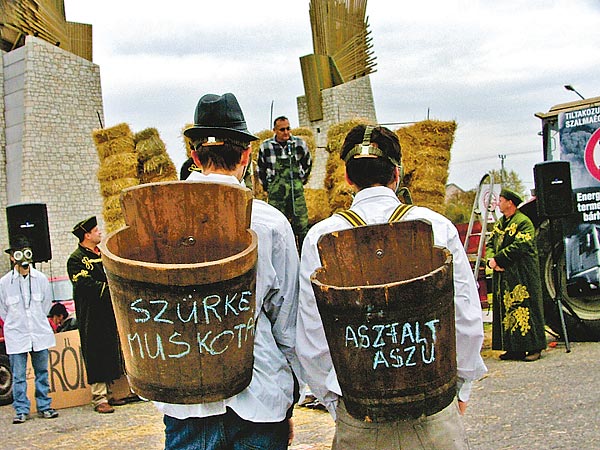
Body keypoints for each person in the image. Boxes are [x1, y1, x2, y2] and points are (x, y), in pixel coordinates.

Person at [296, 125, 487, 449]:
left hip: (360, 420)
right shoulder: (436, 228)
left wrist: (337, 403)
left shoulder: (321, 239)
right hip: (434, 416)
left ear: (347, 178)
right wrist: (461, 389)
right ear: (397, 174)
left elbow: (312, 342)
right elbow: (466, 321)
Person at [153, 93, 301, 450]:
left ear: (194, 156)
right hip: (259, 394)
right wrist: (290, 392)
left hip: (187, 400)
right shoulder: (270, 223)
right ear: (247, 156)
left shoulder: (157, 221)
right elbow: (287, 321)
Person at [67, 216, 125, 413]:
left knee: (112, 349)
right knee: (96, 351)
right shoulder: (75, 259)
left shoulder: (104, 253)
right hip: (92, 314)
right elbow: (84, 285)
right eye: (96, 230)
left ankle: (114, 392)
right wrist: (113, 288)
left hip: (110, 311)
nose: (100, 232)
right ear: (87, 235)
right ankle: (99, 397)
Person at [0, 236, 59, 424]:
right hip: (17, 334)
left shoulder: (41, 279)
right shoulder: (4, 283)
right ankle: (21, 410)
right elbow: (3, 310)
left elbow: (46, 305)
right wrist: (16, 323)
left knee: (42, 372)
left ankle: (44, 406)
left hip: (38, 333)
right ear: (12, 257)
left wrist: (36, 320)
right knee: (18, 375)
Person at [486, 188, 546, 362]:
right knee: (507, 310)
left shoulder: (523, 222)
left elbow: (520, 246)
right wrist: (491, 260)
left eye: (501, 200)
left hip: (523, 274)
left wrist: (498, 260)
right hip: (505, 275)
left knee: (527, 307)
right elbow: (491, 243)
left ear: (510, 203)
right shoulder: (501, 224)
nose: (498, 203)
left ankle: (535, 347)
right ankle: (514, 349)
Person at [257, 116, 312, 248]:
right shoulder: (266, 147)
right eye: (282, 129)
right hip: (276, 196)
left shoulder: (299, 144)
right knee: (276, 227)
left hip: (296, 194)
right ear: (274, 130)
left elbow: (308, 163)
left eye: (288, 128)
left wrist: (300, 180)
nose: (286, 132)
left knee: (302, 226)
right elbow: (261, 170)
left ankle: (304, 256)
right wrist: (268, 187)